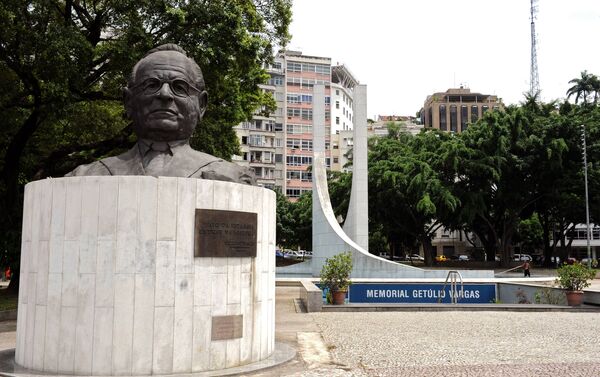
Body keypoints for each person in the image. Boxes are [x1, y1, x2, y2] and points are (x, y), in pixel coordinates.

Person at [66, 44, 255, 184]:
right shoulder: (86, 177)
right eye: (151, 85)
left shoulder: (231, 178)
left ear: (201, 105)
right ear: (128, 101)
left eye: (179, 87)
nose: (164, 94)